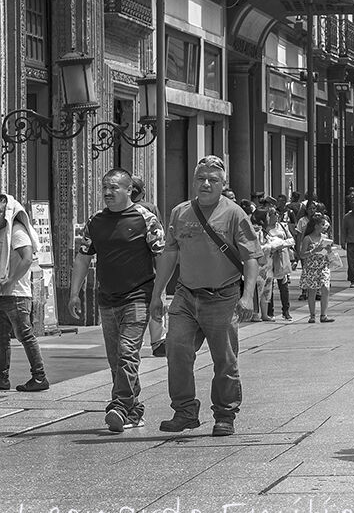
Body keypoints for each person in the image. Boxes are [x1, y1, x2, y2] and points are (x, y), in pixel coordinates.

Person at [151, 156, 261, 436]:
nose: (206, 184)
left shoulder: (235, 213)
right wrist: (157, 295)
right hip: (186, 296)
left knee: (224, 359)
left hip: (222, 297)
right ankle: (185, 411)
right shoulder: (180, 212)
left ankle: (225, 414)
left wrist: (247, 296)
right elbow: (170, 253)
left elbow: (251, 257)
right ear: (194, 181)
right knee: (176, 351)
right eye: (201, 178)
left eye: (213, 179)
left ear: (223, 184)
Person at [69, 168, 164, 431]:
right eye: (105, 188)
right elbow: (83, 256)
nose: (108, 193)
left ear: (128, 190)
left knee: (127, 353)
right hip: (107, 299)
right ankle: (134, 411)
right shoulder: (96, 220)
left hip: (138, 296)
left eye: (114, 188)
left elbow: (162, 257)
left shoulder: (146, 219)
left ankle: (119, 405)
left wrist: (160, 296)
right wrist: (74, 293)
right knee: (116, 359)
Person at [0, 194, 46, 392]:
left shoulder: (16, 231)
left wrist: (10, 281)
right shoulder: (3, 232)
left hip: (16, 293)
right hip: (3, 293)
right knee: (1, 337)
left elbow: (27, 259)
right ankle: (2, 378)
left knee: (24, 335)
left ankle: (39, 377)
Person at [129, 175, 166, 357]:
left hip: (130, 268)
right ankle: (158, 341)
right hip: (151, 266)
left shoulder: (115, 209)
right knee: (156, 303)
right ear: (142, 192)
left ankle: (133, 343)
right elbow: (159, 237)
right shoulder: (149, 208)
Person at [299, 212, 334, 323]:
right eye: (322, 224)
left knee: (325, 288)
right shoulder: (308, 239)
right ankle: (312, 315)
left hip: (323, 265)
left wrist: (329, 251)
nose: (324, 227)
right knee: (312, 291)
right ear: (316, 226)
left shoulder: (325, 238)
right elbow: (302, 254)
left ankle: (323, 314)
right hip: (311, 267)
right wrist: (313, 251)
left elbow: (328, 252)